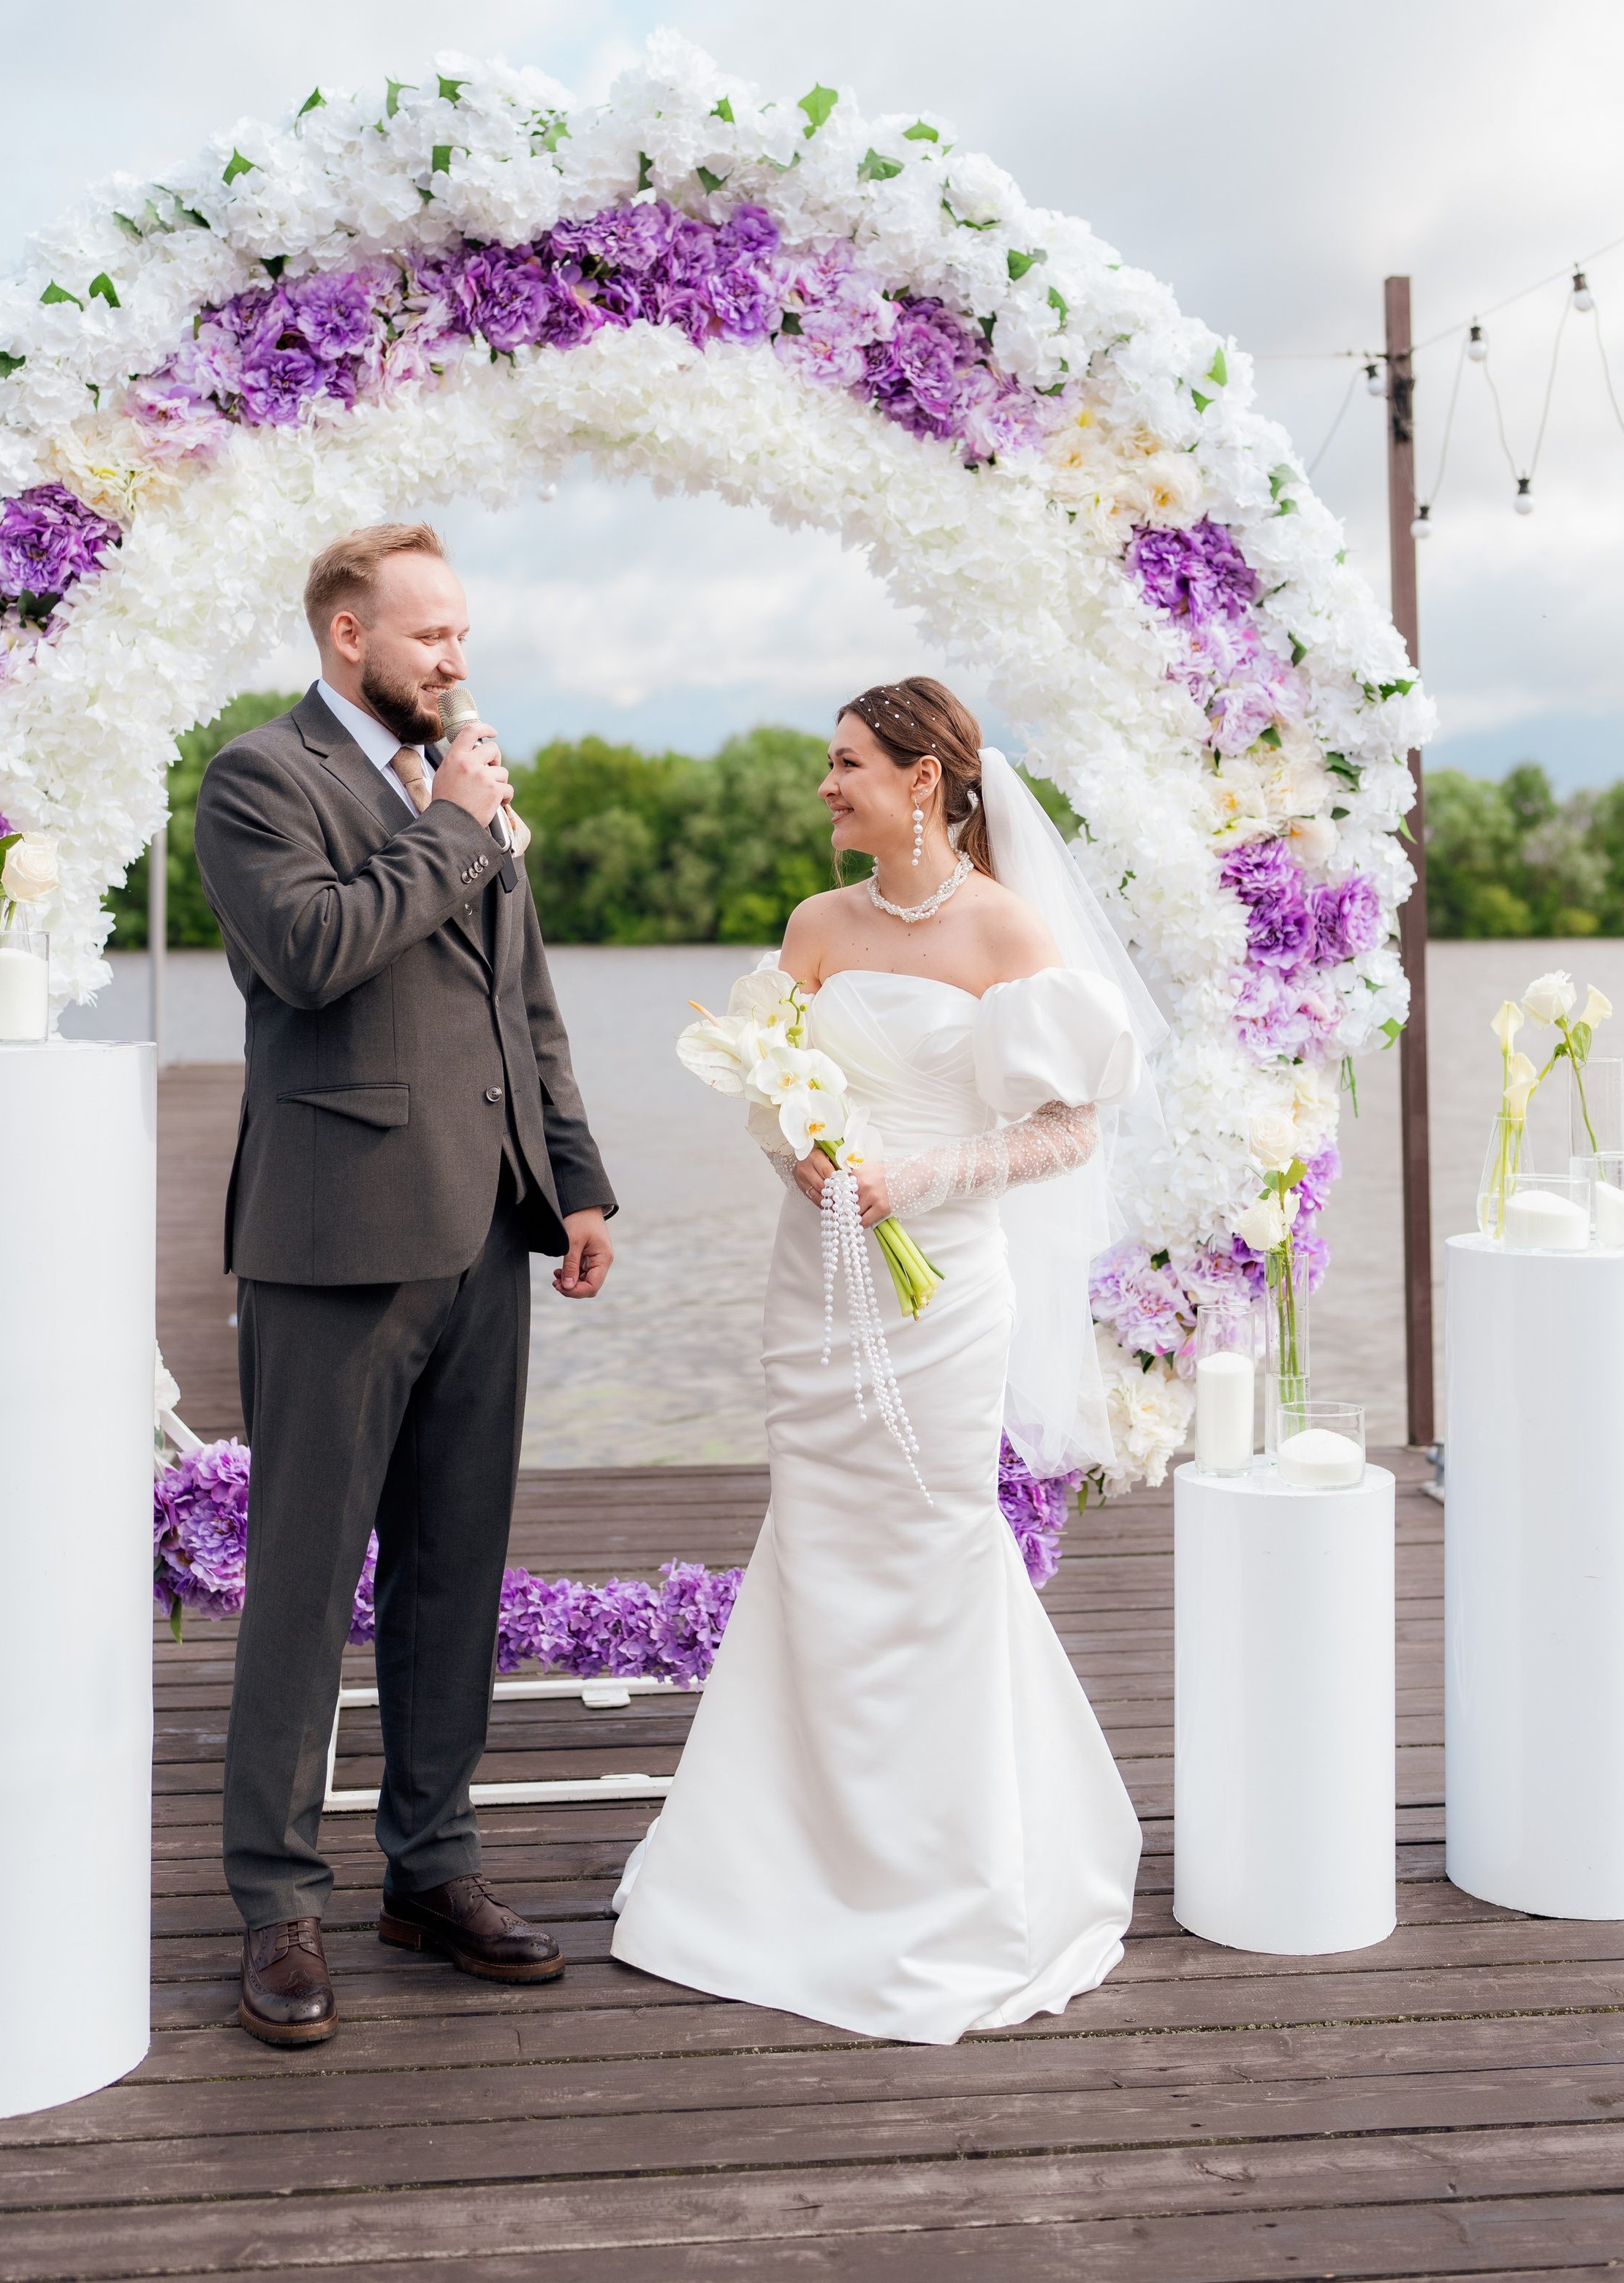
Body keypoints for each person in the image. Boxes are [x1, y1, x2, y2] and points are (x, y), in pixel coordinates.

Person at [612, 676, 1150, 2043]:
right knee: (818, 1543)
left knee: (927, 1545)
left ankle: (947, 1881)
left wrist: (927, 1174)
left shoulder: (1006, 929)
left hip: (943, 1289)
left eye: (845, 764)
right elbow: (766, 1084)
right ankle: (781, 1868)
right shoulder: (816, 924)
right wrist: (802, 1158)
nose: (824, 787)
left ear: (924, 780)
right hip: (821, 1280)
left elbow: (1069, 1131)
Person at [193, 521, 616, 2050]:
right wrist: (447, 825)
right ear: (347, 636)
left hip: (482, 1230)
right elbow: (312, 954)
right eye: (430, 634)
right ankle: (275, 1906)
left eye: (462, 632)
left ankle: (429, 1870)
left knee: (454, 1572)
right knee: (303, 1587)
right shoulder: (257, 780)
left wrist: (572, 1176)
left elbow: (525, 1004)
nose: (457, 656)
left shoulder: (469, 784)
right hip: (331, 1241)